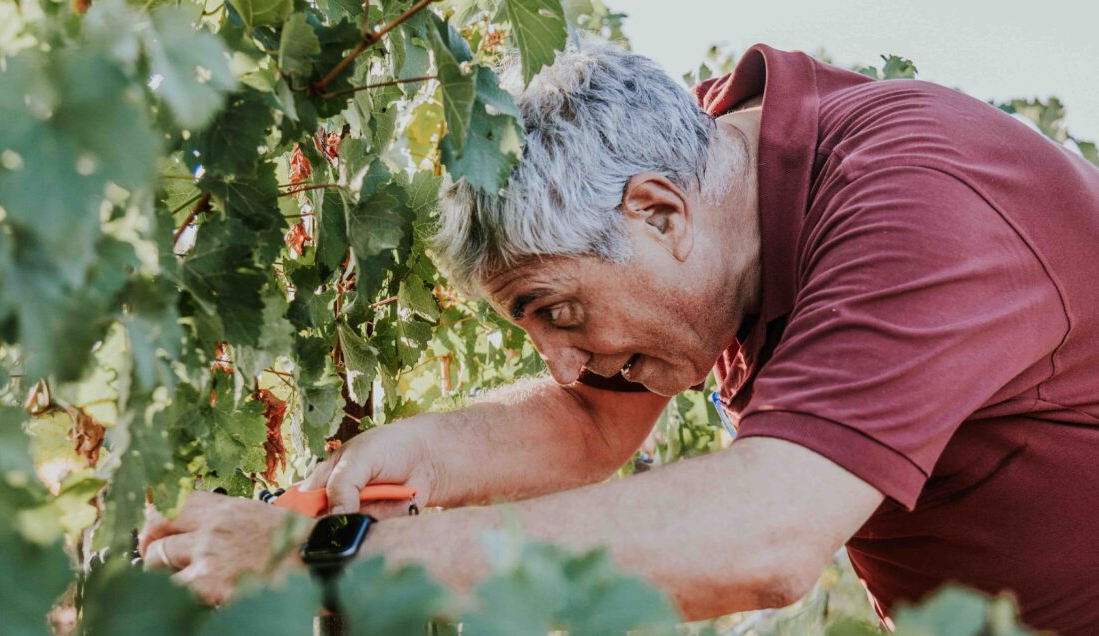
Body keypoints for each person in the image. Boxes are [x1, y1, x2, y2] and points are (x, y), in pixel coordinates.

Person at [139, 42, 1099, 633]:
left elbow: (761, 537)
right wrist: (421, 452)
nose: (560, 359)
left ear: (659, 214)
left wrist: (326, 560)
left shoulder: (921, 200)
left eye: (558, 310)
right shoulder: (711, 176)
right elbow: (593, 426)